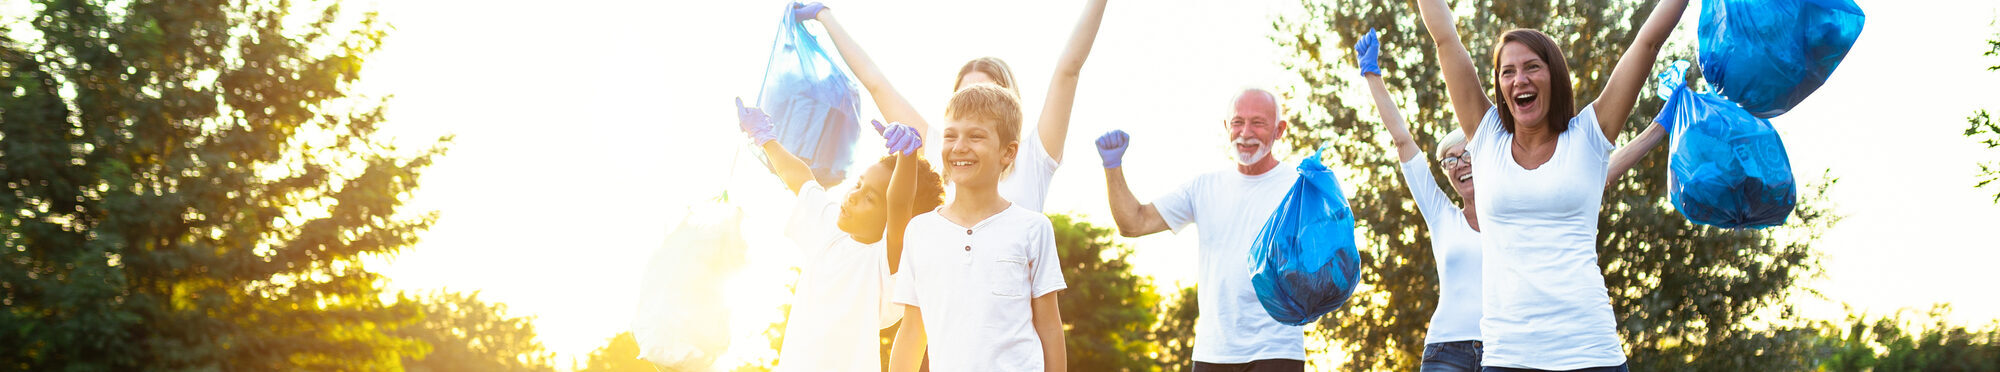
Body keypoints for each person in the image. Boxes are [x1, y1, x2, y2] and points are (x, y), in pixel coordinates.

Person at [1350, 29, 1667, 372]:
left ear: (1481, 158)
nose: (1460, 164)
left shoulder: (1529, 182)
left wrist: (1658, 128)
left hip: (1554, 347)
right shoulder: (1443, 216)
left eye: (1465, 154)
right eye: (1449, 160)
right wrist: (1372, 77)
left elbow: (1596, 174)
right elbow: (1404, 143)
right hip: (1455, 351)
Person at [796, 0, 1108, 212]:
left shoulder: (1033, 157)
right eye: (964, 96)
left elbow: (1069, 69)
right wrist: (825, 16)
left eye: (987, 93)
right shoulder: (937, 151)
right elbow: (875, 81)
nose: (974, 104)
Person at [1092, 87, 1306, 372]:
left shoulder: (1299, 187)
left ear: (1279, 130)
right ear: (1226, 127)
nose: (1245, 132)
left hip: (1277, 348)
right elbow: (1134, 223)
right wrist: (1112, 166)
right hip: (1213, 351)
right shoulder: (1203, 187)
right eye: (1238, 122)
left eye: (1258, 122)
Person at [734, 98, 946, 372]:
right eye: (859, 184)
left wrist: (908, 158)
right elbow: (801, 179)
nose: (854, 195)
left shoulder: (886, 265)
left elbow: (900, 203)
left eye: (870, 198)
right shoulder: (830, 233)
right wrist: (764, 137)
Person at [888, 84, 1067, 372]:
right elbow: (912, 331)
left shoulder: (1033, 228)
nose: (959, 146)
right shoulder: (919, 231)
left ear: (1008, 152)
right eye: (950, 135)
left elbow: (1049, 328)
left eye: (976, 136)